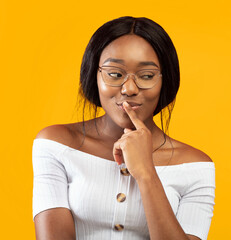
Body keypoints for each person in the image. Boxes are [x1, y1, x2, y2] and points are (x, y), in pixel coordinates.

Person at [32, 16, 215, 240]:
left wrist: (146, 173)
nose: (129, 89)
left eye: (146, 76)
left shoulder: (196, 167)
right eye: (115, 74)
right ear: (94, 75)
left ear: (165, 81)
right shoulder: (55, 144)